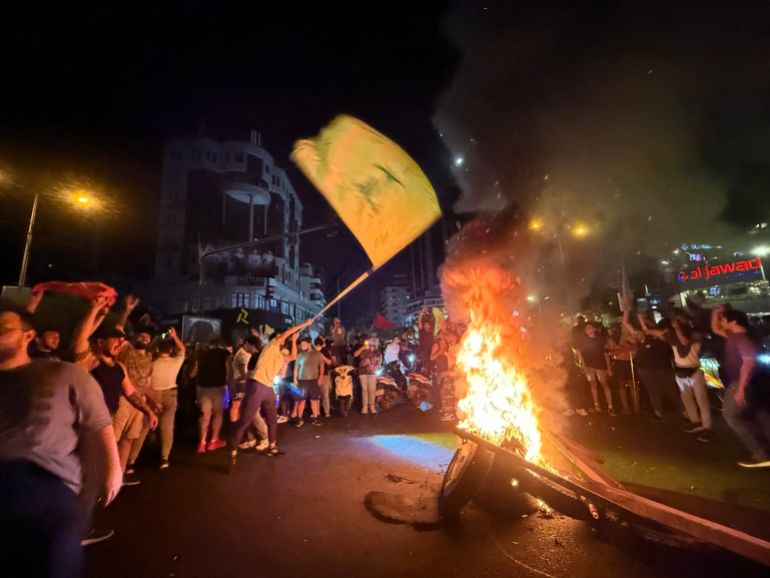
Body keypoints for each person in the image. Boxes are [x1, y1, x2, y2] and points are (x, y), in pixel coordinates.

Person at [0, 301, 122, 576]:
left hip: (47, 486)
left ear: (27, 335)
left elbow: (101, 424)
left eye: (4, 329)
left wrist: (114, 470)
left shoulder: (62, 372)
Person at [72, 297, 159, 483]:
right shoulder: (90, 360)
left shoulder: (120, 367)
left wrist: (149, 411)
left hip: (108, 419)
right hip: (87, 421)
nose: (119, 344)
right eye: (115, 340)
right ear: (101, 341)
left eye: (121, 341)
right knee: (85, 464)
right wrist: (95, 310)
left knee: (103, 461)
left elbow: (131, 393)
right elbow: (81, 338)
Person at [228, 318, 314, 465]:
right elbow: (287, 332)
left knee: (272, 418)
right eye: (281, 338)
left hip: (267, 387)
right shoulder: (270, 347)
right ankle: (233, 452)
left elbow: (293, 356)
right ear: (276, 339)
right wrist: (305, 324)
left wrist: (294, 340)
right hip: (258, 385)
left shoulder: (280, 356)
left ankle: (272, 446)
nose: (283, 340)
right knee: (246, 419)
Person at [713, 307, 770, 468]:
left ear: (734, 322)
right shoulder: (738, 336)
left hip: (742, 382)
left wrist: (741, 388)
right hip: (756, 383)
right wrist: (717, 312)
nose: (721, 322)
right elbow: (715, 328)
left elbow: (749, 362)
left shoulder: (742, 338)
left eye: (724, 320)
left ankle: (759, 453)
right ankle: (764, 449)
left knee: (730, 415)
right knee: (760, 415)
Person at [116, 296, 160, 477]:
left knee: (128, 440)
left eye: (148, 337)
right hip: (123, 400)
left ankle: (120, 475)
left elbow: (147, 384)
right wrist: (126, 311)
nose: (145, 338)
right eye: (141, 336)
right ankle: (105, 477)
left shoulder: (149, 359)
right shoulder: (126, 350)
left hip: (139, 404)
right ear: (135, 337)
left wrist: (152, 402)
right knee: (113, 438)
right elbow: (118, 330)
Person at [149, 328, 186, 469]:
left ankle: (132, 461)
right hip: (171, 394)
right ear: (170, 351)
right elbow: (182, 350)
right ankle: (164, 457)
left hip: (153, 395)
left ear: (158, 350)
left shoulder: (151, 363)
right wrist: (175, 336)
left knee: (149, 423)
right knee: (167, 426)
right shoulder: (175, 362)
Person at [191, 340, 231, 453]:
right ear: (219, 344)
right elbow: (229, 372)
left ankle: (202, 443)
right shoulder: (225, 354)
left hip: (203, 388)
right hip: (219, 387)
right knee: (218, 413)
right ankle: (213, 441)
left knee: (205, 415)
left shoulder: (201, 354)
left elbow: (193, 372)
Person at [231, 335, 269, 451]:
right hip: (242, 385)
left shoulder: (244, 355)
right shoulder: (243, 355)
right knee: (245, 413)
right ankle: (251, 439)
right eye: (254, 347)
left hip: (244, 385)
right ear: (249, 344)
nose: (255, 350)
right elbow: (244, 373)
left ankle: (264, 437)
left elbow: (244, 374)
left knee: (252, 412)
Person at [576, 322, 615, 415]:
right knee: (593, 384)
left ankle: (610, 406)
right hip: (590, 366)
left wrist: (609, 368)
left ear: (594, 329)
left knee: (604, 384)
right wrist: (583, 365)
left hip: (600, 365)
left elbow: (605, 354)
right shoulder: (584, 341)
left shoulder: (600, 340)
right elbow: (580, 353)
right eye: (586, 329)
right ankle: (596, 405)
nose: (587, 330)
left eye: (589, 328)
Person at [293, 337, 325, 426]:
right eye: (301, 345)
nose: (302, 346)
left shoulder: (317, 354)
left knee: (314, 400)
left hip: (314, 380)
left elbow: (322, 366)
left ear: (309, 344)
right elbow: (296, 368)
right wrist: (295, 379)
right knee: (301, 401)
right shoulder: (300, 355)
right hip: (302, 381)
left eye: (304, 344)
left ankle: (315, 418)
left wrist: (321, 376)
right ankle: (299, 419)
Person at [354, 337, 383, 414]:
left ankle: (372, 407)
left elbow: (380, 362)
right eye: (370, 345)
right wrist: (363, 347)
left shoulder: (378, 352)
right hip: (363, 372)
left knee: (372, 390)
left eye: (373, 345)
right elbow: (355, 354)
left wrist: (375, 367)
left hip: (372, 373)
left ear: (376, 345)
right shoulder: (364, 351)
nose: (371, 347)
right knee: (364, 390)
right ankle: (365, 407)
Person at [314, 336, 334, 418]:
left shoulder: (325, 351)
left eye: (318, 345)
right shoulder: (313, 351)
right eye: (316, 345)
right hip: (314, 375)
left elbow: (329, 362)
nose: (317, 347)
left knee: (325, 394)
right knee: (316, 395)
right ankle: (317, 411)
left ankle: (327, 412)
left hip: (324, 375)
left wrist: (322, 356)